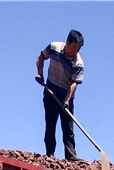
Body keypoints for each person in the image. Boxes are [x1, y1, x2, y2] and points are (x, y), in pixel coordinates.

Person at [35, 29, 84, 161]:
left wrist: (67, 100)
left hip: (66, 95)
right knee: (50, 124)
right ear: (67, 42)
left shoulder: (78, 63)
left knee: (67, 128)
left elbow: (74, 84)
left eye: (79, 48)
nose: (76, 51)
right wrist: (40, 74)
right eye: (74, 47)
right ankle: (50, 154)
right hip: (51, 91)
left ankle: (71, 156)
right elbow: (40, 58)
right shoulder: (53, 47)